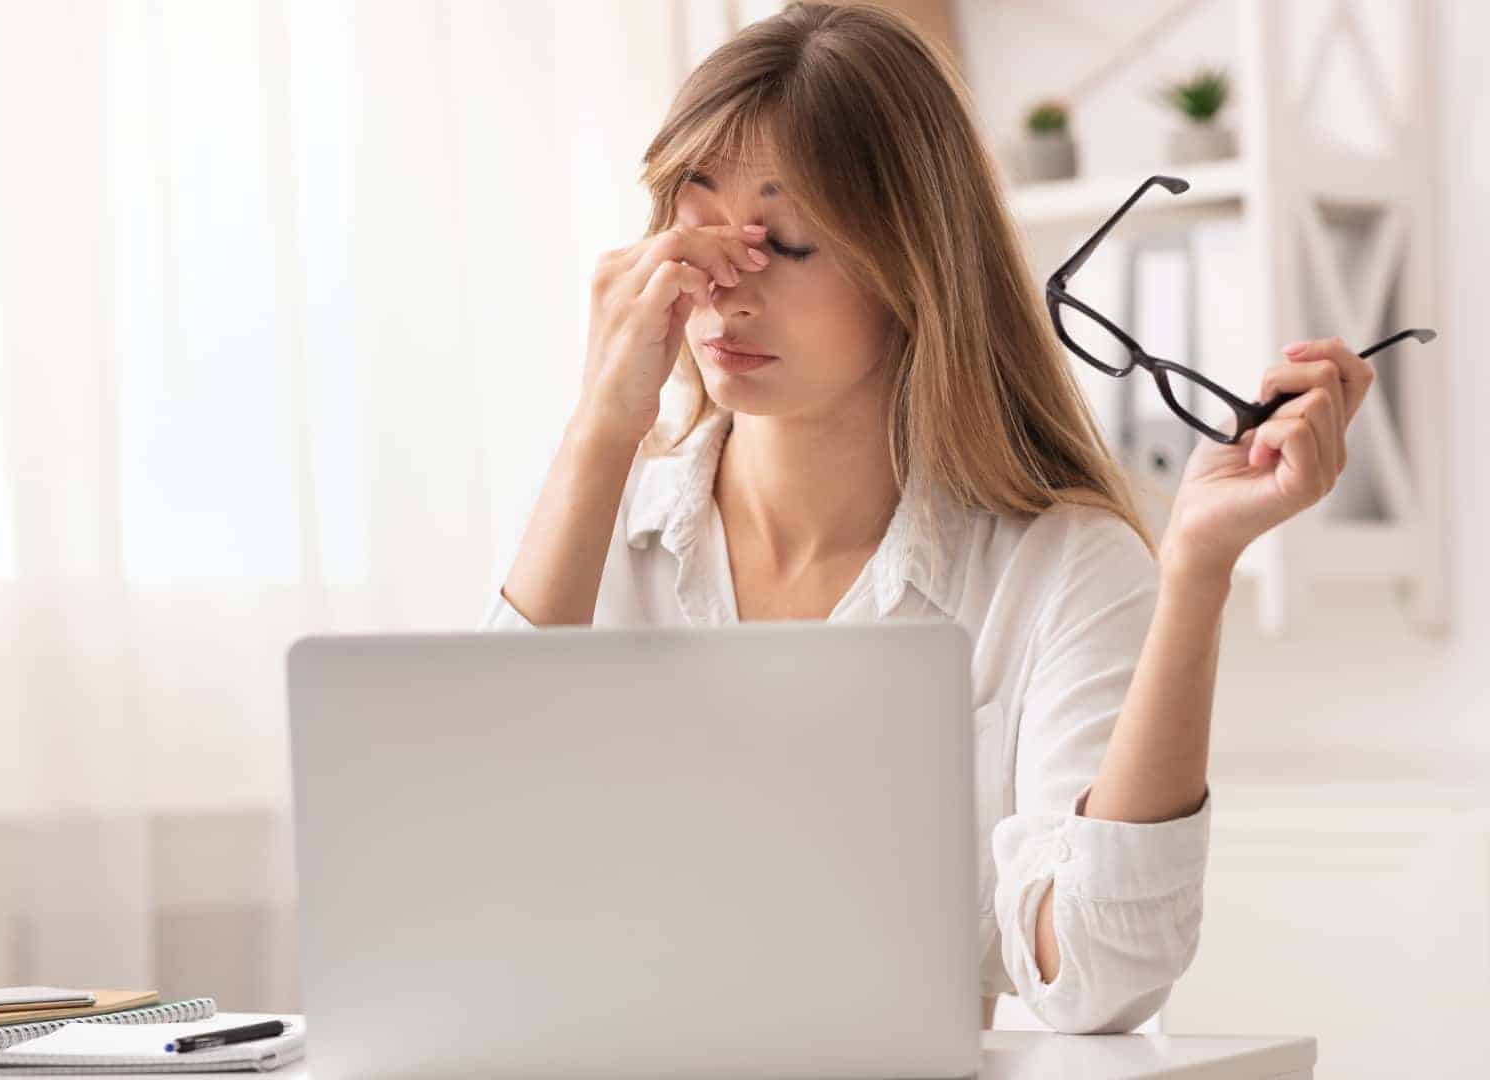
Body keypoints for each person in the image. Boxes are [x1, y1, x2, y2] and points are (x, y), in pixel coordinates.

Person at [481, 2, 1375, 1035]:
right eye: (699, 225)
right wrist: (600, 429)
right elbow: (484, 860)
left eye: (787, 240)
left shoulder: (1060, 571)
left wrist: (1199, 569)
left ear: (915, 266)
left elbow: (1100, 977)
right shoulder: (605, 521)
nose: (724, 281)